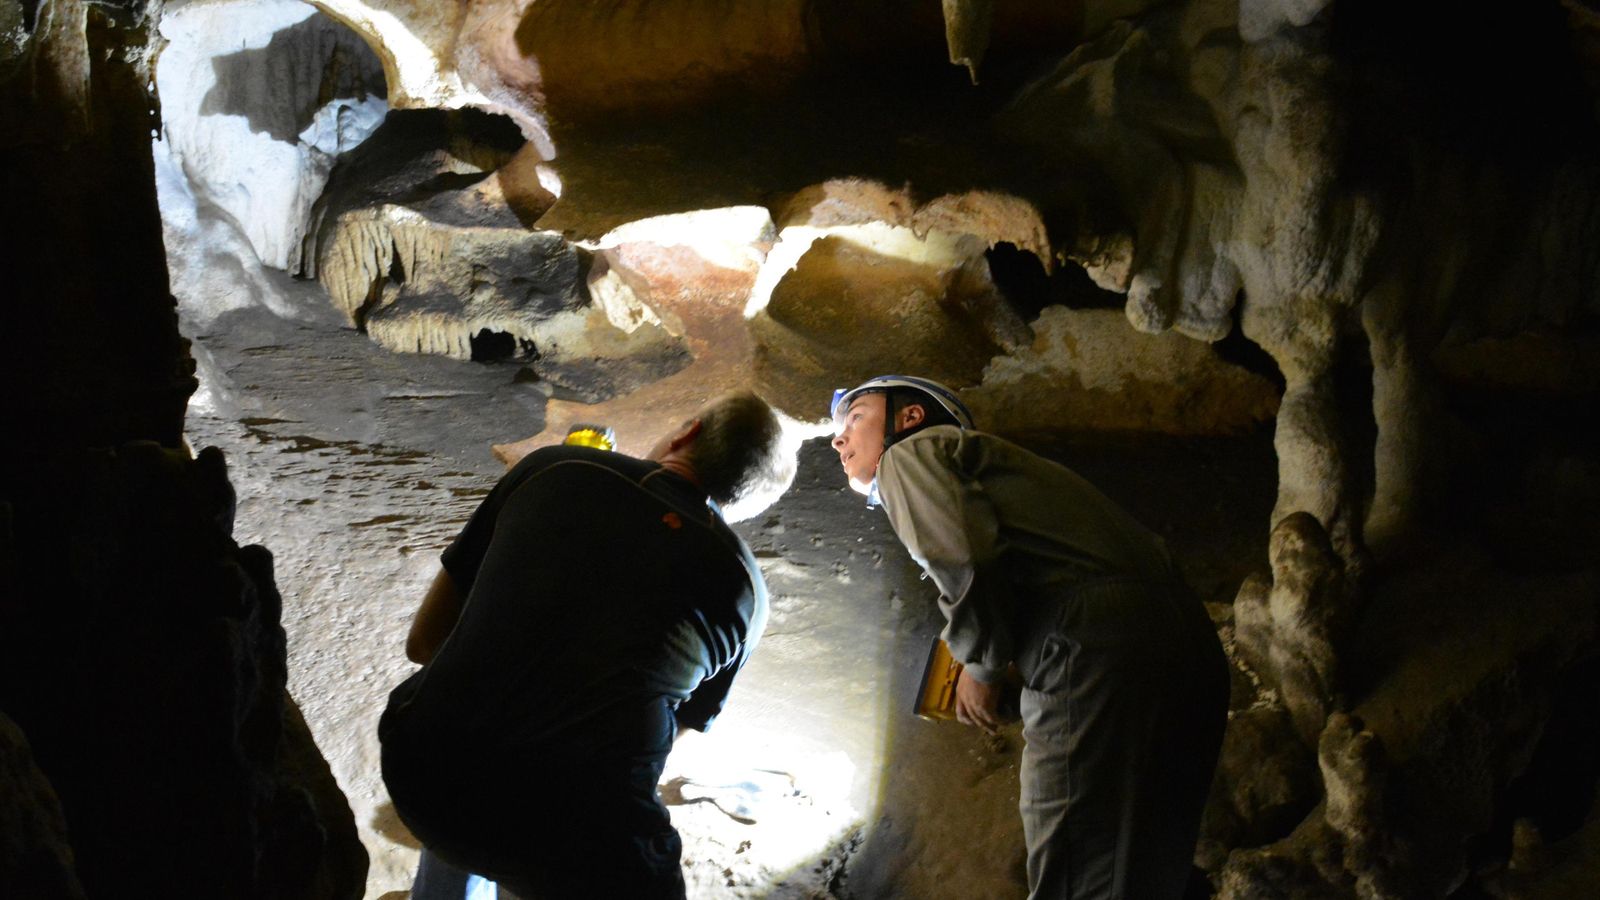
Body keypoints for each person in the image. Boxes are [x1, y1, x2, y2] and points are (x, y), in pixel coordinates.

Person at [379, 391, 795, 899]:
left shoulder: (555, 468)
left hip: (422, 772)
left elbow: (423, 643)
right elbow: (672, 745)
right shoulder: (746, 590)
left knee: (479, 753)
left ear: (687, 432)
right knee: (574, 810)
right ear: (743, 505)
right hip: (574, 837)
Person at [829, 375, 1229, 899]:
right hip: (1188, 641)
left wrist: (980, 667)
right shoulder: (1016, 481)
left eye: (856, 416)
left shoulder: (910, 454)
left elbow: (967, 560)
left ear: (910, 417)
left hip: (1092, 638)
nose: (838, 438)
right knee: (1144, 869)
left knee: (1078, 875)